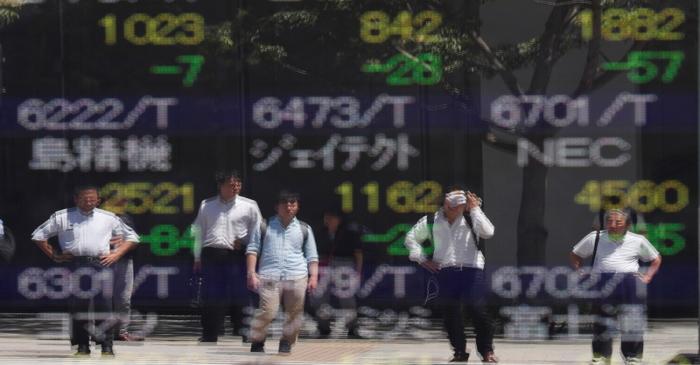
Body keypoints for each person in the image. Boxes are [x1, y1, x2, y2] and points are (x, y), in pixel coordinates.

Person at [31, 186, 139, 356]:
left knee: (104, 308)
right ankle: (81, 346)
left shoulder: (108, 217)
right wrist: (54, 255)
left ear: (98, 201)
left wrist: (116, 254)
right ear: (76, 199)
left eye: (92, 199)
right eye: (84, 198)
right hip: (75, 265)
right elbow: (38, 235)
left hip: (100, 264)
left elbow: (132, 238)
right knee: (78, 308)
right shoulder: (62, 216)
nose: (88, 202)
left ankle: (106, 347)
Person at [404, 187, 498, 363]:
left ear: (464, 206)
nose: (454, 208)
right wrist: (422, 259)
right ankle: (459, 351)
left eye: (459, 205)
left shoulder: (471, 217)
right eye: (451, 205)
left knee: (478, 310)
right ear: (445, 203)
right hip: (445, 270)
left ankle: (487, 351)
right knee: (450, 313)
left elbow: (488, 232)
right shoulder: (432, 220)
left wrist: (475, 208)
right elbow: (411, 239)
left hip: (471, 269)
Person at [570, 209, 662, 365]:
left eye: (618, 222)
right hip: (603, 283)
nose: (613, 225)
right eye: (609, 221)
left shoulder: (637, 240)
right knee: (602, 322)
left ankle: (632, 356)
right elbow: (575, 254)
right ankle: (601, 356)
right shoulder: (595, 238)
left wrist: (647, 276)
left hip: (629, 283)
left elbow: (656, 258)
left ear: (627, 225)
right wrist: (581, 272)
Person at [192, 170, 262, 343]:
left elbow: (258, 231)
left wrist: (245, 241)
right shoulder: (206, 205)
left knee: (242, 295)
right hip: (212, 253)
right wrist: (197, 257)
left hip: (237, 254)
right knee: (212, 296)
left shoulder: (249, 205)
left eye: (238, 184)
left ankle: (246, 333)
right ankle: (210, 334)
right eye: (231, 184)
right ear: (220, 186)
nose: (235, 188)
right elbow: (198, 232)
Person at [246, 191, 319, 355]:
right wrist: (251, 273)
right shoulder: (264, 225)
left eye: (292, 203)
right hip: (269, 275)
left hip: (297, 275)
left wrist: (313, 277)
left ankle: (286, 342)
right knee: (267, 311)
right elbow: (252, 250)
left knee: (294, 313)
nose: (288, 207)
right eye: (284, 203)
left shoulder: (304, 229)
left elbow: (312, 256)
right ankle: (258, 341)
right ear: (276, 207)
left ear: (297, 207)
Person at [311, 205, 363, 338]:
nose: (328, 220)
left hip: (344, 265)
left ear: (339, 219)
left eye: (332, 218)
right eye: (326, 218)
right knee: (319, 297)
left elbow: (358, 253)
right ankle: (323, 328)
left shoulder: (349, 232)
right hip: (323, 265)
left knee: (347, 299)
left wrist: (357, 271)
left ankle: (352, 329)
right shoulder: (319, 233)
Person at [105, 198, 141, 341]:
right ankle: (100, 331)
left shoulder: (127, 219)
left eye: (123, 203)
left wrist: (124, 247)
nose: (121, 205)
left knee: (124, 299)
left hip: (125, 262)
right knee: (103, 299)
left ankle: (121, 332)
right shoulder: (97, 219)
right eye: (117, 202)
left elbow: (135, 241)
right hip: (102, 263)